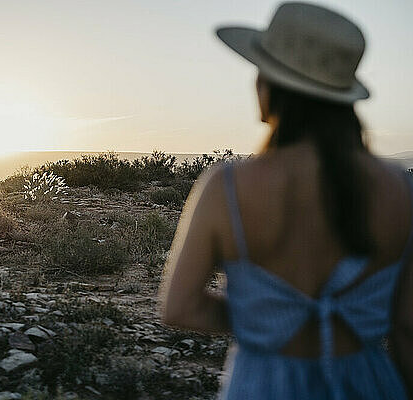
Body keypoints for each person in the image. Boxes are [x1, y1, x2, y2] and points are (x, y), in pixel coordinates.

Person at [157, 2, 413, 399]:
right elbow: (408, 323)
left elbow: (179, 308)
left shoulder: (225, 187)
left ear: (270, 85)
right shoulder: (401, 189)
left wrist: (266, 317)